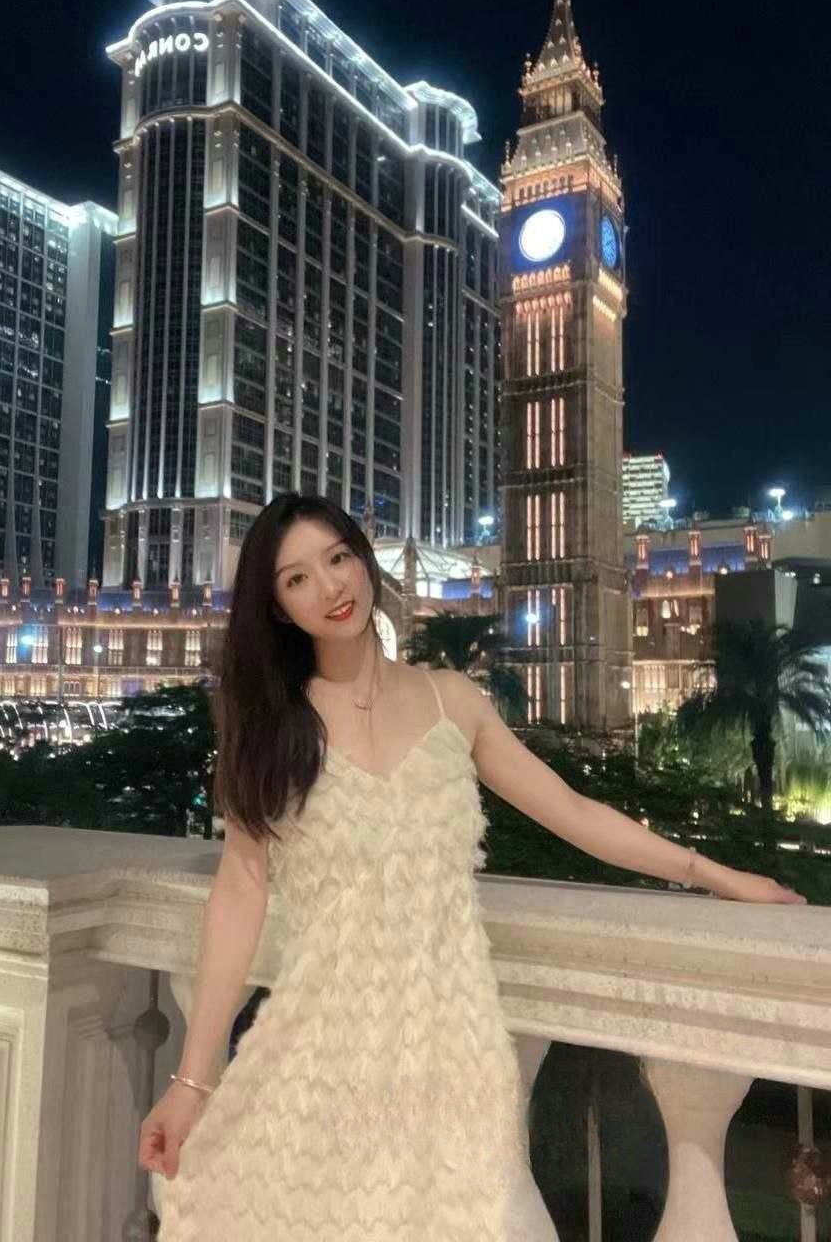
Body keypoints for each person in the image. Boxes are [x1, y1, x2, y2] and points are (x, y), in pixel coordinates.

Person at [139, 492, 805, 1240]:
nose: (329, 587)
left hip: (450, 1052)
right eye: (297, 579)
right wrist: (192, 1082)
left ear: (363, 559)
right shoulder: (272, 727)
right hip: (316, 1052)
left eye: (337, 558)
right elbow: (240, 889)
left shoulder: (451, 701)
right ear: (278, 607)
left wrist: (716, 875)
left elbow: (574, 812)